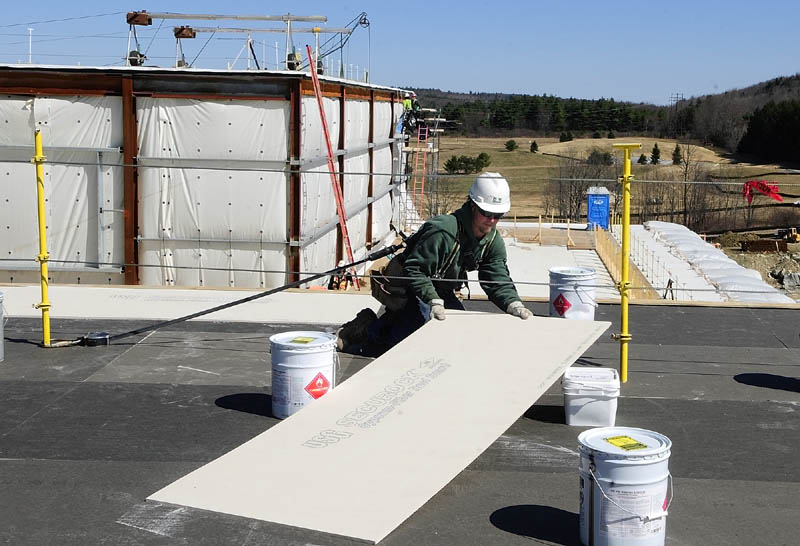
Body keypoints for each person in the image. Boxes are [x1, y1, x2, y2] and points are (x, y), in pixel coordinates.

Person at [337, 172, 533, 357]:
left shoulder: (492, 240)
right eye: (486, 213)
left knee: (455, 330)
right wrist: (433, 300)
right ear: (473, 205)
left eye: (497, 215)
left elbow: (496, 276)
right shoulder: (444, 231)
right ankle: (363, 335)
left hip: (439, 287)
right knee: (402, 346)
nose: (491, 220)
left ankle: (380, 325)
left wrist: (512, 303)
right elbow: (415, 269)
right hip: (408, 286)